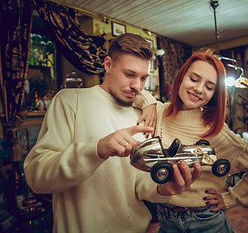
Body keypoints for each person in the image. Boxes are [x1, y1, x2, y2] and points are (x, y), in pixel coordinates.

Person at [23, 33, 201, 233]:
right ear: (108, 65)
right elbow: (37, 178)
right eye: (129, 74)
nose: (137, 86)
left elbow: (139, 181)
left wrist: (162, 188)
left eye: (143, 78)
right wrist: (97, 150)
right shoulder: (70, 101)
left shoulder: (140, 115)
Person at [135, 50, 248, 233]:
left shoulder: (216, 131)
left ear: (215, 94)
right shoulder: (159, 112)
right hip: (166, 219)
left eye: (209, 87)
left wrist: (231, 198)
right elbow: (131, 90)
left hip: (204, 221)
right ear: (181, 77)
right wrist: (149, 102)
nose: (199, 89)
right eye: (194, 79)